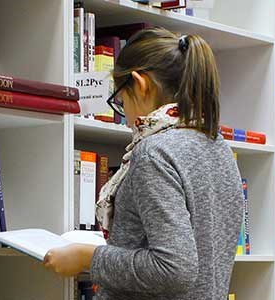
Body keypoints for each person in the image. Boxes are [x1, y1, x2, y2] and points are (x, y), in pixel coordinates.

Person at [42, 28, 244, 299]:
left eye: (121, 101)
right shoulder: (217, 146)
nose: (125, 117)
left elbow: (175, 269)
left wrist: (87, 258)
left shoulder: (155, 154)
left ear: (140, 84)